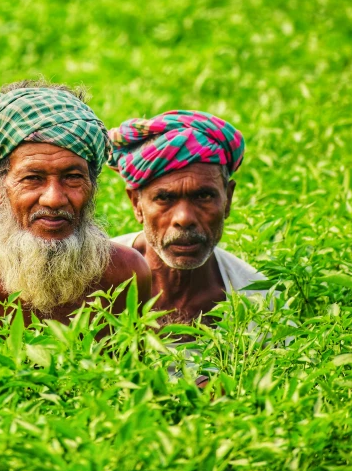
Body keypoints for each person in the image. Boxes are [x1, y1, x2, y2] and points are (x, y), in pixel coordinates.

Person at [0, 81, 151, 355]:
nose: (54, 198)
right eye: (32, 178)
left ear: (92, 184)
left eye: (73, 177)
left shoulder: (124, 273)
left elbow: (131, 381)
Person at [108, 110, 266, 326]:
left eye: (203, 196)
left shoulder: (260, 300)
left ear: (227, 199)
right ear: (137, 203)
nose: (184, 218)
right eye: (164, 198)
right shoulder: (91, 281)